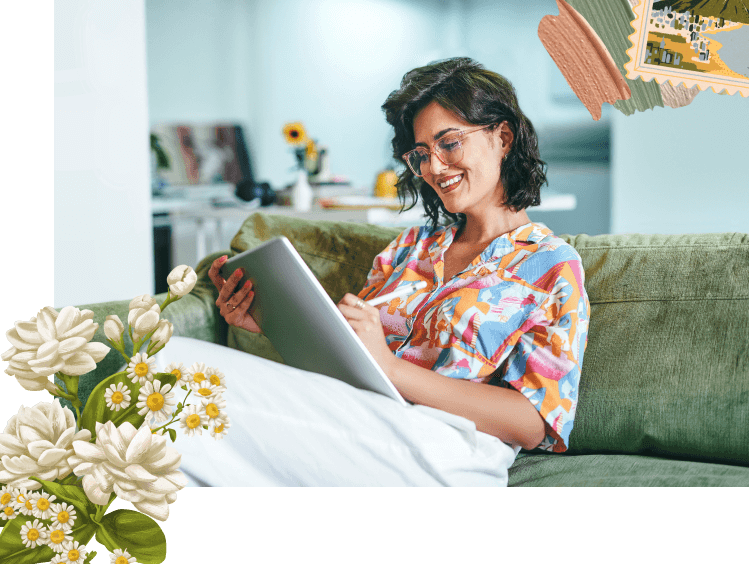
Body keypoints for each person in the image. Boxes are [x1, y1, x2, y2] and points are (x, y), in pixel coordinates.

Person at [198, 57, 590, 486]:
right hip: (360, 417)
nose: (434, 168)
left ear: (503, 138)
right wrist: (271, 320)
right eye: (421, 154)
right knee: (186, 407)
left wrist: (393, 369)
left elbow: (534, 422)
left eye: (450, 143)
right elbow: (351, 361)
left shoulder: (551, 265)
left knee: (183, 376)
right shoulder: (409, 248)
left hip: (445, 444)